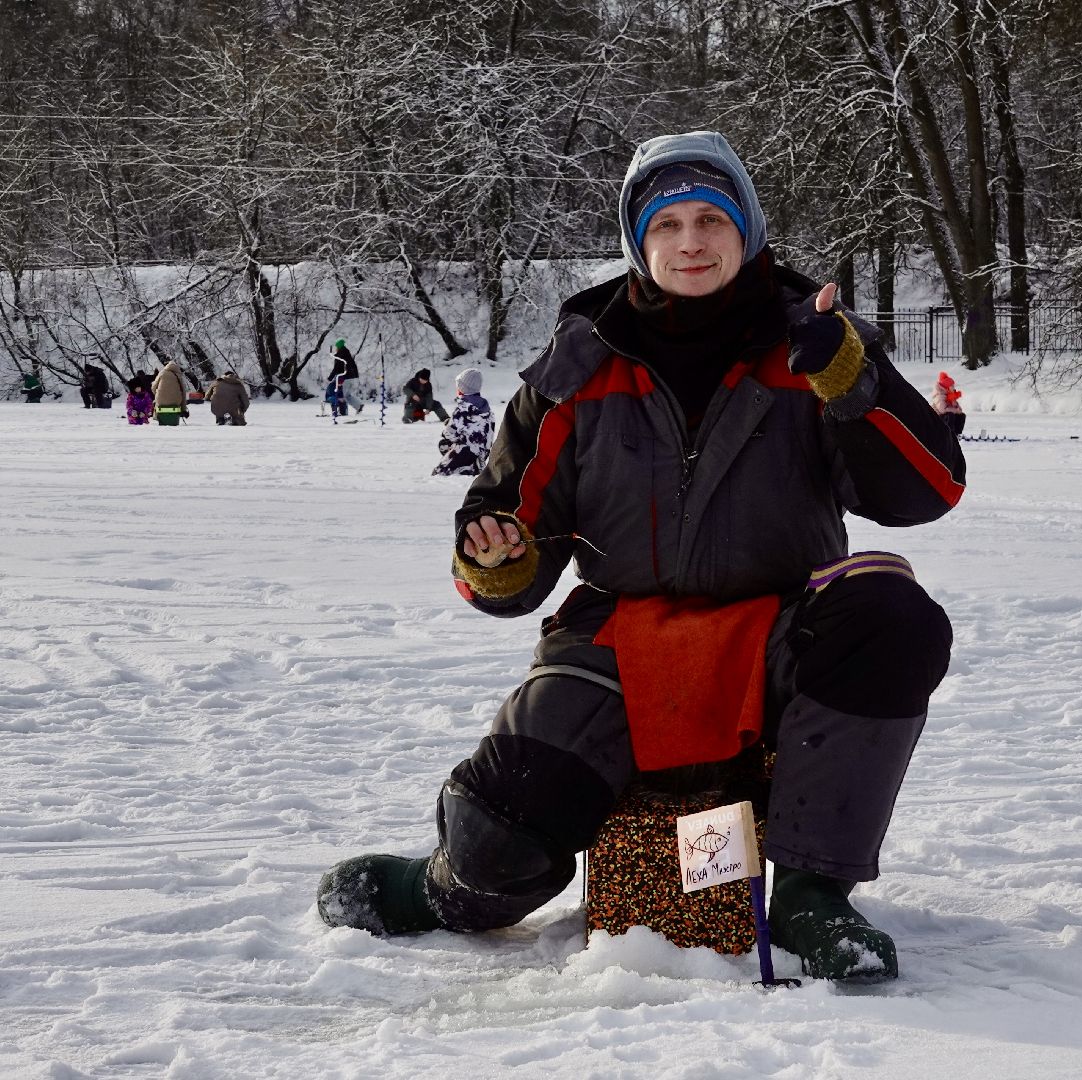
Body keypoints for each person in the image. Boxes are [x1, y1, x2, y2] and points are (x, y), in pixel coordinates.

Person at [317, 130, 966, 982]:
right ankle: (437, 893)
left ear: (747, 232)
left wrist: (852, 385)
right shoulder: (578, 365)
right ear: (638, 240)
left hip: (778, 639)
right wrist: (498, 556)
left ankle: (813, 895)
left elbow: (929, 489)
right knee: (497, 837)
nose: (690, 241)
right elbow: (509, 532)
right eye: (668, 224)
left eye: (711, 219)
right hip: (618, 646)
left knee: (890, 613)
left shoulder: (814, 340)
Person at [432, 368, 495, 476]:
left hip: (465, 450)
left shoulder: (463, 408)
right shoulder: (487, 409)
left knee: (439, 473)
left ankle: (465, 467)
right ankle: (474, 463)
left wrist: (448, 428)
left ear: (462, 388)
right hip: (483, 451)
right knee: (449, 445)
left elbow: (449, 433)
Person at [328, 339, 364, 415]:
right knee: (347, 395)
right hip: (351, 376)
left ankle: (342, 412)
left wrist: (330, 378)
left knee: (342, 395)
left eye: (336, 346)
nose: (335, 348)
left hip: (345, 377)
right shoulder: (346, 354)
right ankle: (358, 406)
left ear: (339, 346)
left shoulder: (340, 355)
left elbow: (336, 368)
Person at [929, 369, 966, 436]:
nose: (954, 388)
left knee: (962, 415)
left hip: (944, 418)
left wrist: (954, 404)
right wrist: (956, 410)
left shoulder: (950, 396)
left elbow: (959, 410)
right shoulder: (940, 396)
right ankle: (949, 434)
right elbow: (942, 410)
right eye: (952, 386)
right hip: (937, 419)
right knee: (950, 415)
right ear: (947, 387)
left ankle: (956, 434)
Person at [152, 361, 188, 426]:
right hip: (175, 402)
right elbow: (183, 391)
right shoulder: (178, 375)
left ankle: (157, 417)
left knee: (157, 401)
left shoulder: (162, 373)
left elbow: (153, 387)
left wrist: (158, 394)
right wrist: (183, 409)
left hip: (161, 401)